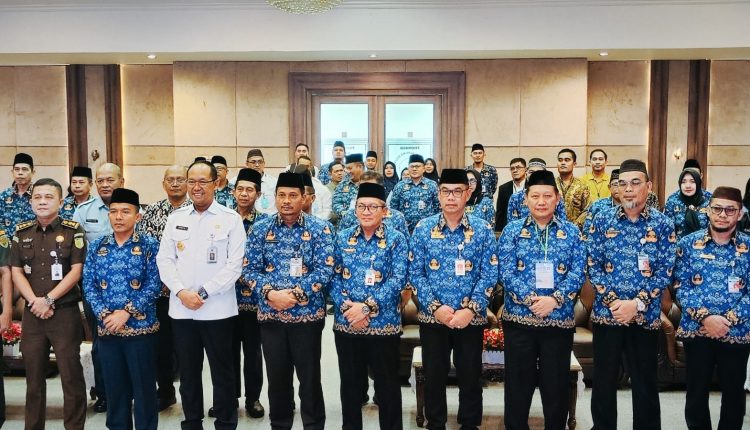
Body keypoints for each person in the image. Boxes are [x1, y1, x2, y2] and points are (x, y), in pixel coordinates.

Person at [586, 159, 676, 430]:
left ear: (649, 186)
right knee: (604, 381)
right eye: (622, 183)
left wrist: (637, 304)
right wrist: (615, 303)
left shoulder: (663, 224)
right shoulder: (602, 220)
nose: (628, 189)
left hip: (645, 318)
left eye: (635, 183)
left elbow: (665, 270)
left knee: (645, 382)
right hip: (608, 315)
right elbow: (593, 264)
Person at [156, 160, 246, 430]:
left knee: (223, 372)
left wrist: (204, 292)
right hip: (182, 310)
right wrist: (181, 292)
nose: (196, 187)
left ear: (216, 184)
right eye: (191, 181)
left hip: (218, 310)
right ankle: (192, 422)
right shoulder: (176, 219)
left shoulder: (230, 219)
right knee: (188, 373)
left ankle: (226, 422)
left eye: (202, 182)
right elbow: (164, 260)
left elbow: (235, 265)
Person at [242, 172, 335, 430]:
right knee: (277, 380)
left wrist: (294, 295)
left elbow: (325, 269)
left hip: (307, 317)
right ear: (274, 198)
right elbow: (249, 269)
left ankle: (313, 425)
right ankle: (280, 425)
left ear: (304, 198)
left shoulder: (320, 229)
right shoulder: (261, 229)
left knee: (309, 380)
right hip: (271, 316)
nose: (286, 201)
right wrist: (271, 294)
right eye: (281, 195)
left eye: (293, 195)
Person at [409, 168, 497, 430]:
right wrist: (435, 308)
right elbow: (415, 272)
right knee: (434, 376)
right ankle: (436, 423)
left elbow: (490, 273)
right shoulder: (423, 228)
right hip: (433, 318)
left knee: (470, 377)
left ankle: (470, 424)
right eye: (445, 191)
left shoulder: (482, 229)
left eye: (457, 191)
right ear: (438, 194)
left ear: (467, 194)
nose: (451, 197)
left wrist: (470, 309)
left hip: (471, 318)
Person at [497, 170, 586, 430]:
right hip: (519, 321)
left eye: (547, 196)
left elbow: (578, 271)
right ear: (526, 199)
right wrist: (531, 300)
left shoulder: (571, 232)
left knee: (555, 387)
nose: (541, 201)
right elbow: (505, 271)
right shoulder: (512, 231)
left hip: (558, 322)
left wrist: (555, 300)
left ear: (557, 198)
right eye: (535, 196)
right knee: (517, 387)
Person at [10, 177, 87, 430]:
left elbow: (76, 271)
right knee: (33, 380)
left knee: (71, 377)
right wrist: (35, 302)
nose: (42, 202)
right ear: (31, 201)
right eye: (37, 197)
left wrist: (49, 299)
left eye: (48, 197)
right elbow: (16, 271)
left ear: (60, 202)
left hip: (64, 314)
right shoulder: (21, 232)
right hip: (33, 315)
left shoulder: (73, 230)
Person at [82, 188, 161, 430]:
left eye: (125, 212)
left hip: (141, 330)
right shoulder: (97, 246)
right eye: (114, 211)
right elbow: (89, 284)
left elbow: (155, 283)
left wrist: (127, 312)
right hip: (108, 330)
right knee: (115, 390)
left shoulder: (149, 245)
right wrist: (105, 315)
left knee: (144, 389)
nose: (118, 217)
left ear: (137, 216)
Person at [332, 182, 408, 430]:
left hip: (384, 326)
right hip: (347, 325)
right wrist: (348, 309)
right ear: (355, 209)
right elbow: (332, 277)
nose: (366, 211)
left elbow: (398, 279)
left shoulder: (396, 239)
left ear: (384, 211)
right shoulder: (342, 237)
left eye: (372, 207)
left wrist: (366, 308)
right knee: (350, 386)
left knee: (387, 387)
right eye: (361, 206)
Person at [673, 186, 750, 430]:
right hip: (698, 331)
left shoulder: (749, 246)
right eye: (717, 208)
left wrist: (728, 320)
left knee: (734, 395)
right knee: (696, 393)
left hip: (737, 333)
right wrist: (706, 318)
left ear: (740, 213)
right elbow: (680, 286)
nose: (722, 214)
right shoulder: (688, 244)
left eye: (730, 210)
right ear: (708, 210)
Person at [137, 165, 192, 411]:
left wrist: (179, 285)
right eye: (171, 179)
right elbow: (146, 252)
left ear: (188, 183)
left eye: (180, 179)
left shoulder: (197, 210)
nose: (176, 183)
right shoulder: (152, 212)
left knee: (187, 348)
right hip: (159, 293)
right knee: (161, 346)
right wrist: (164, 282)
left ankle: (191, 396)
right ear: (163, 184)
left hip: (189, 293)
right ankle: (166, 392)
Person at [73, 162, 125, 413]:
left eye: (110, 180)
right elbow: (74, 251)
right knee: (101, 343)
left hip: (129, 290)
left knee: (132, 343)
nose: (105, 185)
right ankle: (104, 394)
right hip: (96, 291)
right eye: (100, 180)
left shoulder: (134, 208)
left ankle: (129, 392)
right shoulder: (83, 211)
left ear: (121, 181)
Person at [230, 168, 267, 419]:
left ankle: (253, 398)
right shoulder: (222, 219)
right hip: (226, 299)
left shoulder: (264, 224)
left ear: (258, 194)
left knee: (253, 352)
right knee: (227, 351)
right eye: (240, 189)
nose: (244, 194)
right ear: (234, 192)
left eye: (250, 190)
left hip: (254, 300)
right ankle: (229, 398)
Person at [337, 171, 408, 237]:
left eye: (371, 188)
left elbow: (404, 243)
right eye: (362, 187)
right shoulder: (349, 216)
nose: (367, 191)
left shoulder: (397, 217)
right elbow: (340, 240)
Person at [389, 154, 440, 233]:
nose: (414, 169)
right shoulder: (400, 186)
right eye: (412, 166)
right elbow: (394, 208)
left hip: (427, 230)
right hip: (404, 230)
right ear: (408, 168)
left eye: (417, 166)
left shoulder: (432, 185)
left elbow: (438, 207)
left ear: (423, 169)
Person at [507, 158, 567, 225]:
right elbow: (512, 224)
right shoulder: (516, 197)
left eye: (539, 172)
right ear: (526, 173)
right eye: (531, 172)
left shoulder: (555, 197)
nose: (534, 175)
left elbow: (563, 223)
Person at [664, 169, 710, 239]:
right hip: (679, 244)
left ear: (698, 183)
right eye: (684, 182)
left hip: (704, 243)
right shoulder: (672, 201)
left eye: (692, 182)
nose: (688, 186)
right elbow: (667, 230)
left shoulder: (708, 200)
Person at [0, 153, 35, 236]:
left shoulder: (39, 195)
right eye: (16, 169)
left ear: (33, 172)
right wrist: (4, 241)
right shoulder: (4, 195)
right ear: (12, 172)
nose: (20, 173)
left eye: (24, 169)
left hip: (34, 242)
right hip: (8, 242)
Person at [555, 148, 591, 227]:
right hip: (554, 229)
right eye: (560, 160)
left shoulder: (582, 185)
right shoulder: (551, 184)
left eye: (567, 160)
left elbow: (588, 209)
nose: (563, 163)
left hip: (576, 229)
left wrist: (574, 227)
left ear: (574, 164)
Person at [581, 169, 620, 237]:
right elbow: (586, 230)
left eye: (622, 185)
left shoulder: (632, 207)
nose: (618, 188)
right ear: (609, 187)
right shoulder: (597, 205)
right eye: (615, 184)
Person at [240, 149, 278, 215]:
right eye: (253, 162)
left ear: (264, 163)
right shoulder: (239, 182)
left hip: (269, 219)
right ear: (247, 164)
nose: (257, 165)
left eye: (260, 162)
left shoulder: (274, 182)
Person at [495, 157, 526, 232]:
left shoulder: (531, 187)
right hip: (509, 228)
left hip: (527, 228)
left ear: (525, 169)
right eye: (512, 168)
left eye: (518, 167)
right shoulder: (503, 188)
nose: (515, 170)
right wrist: (498, 232)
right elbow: (500, 213)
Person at [332, 154, 364, 218]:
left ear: (360, 167)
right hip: (346, 221)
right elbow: (336, 203)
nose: (347, 171)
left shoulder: (370, 183)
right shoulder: (342, 184)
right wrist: (345, 214)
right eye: (346, 168)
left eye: (350, 168)